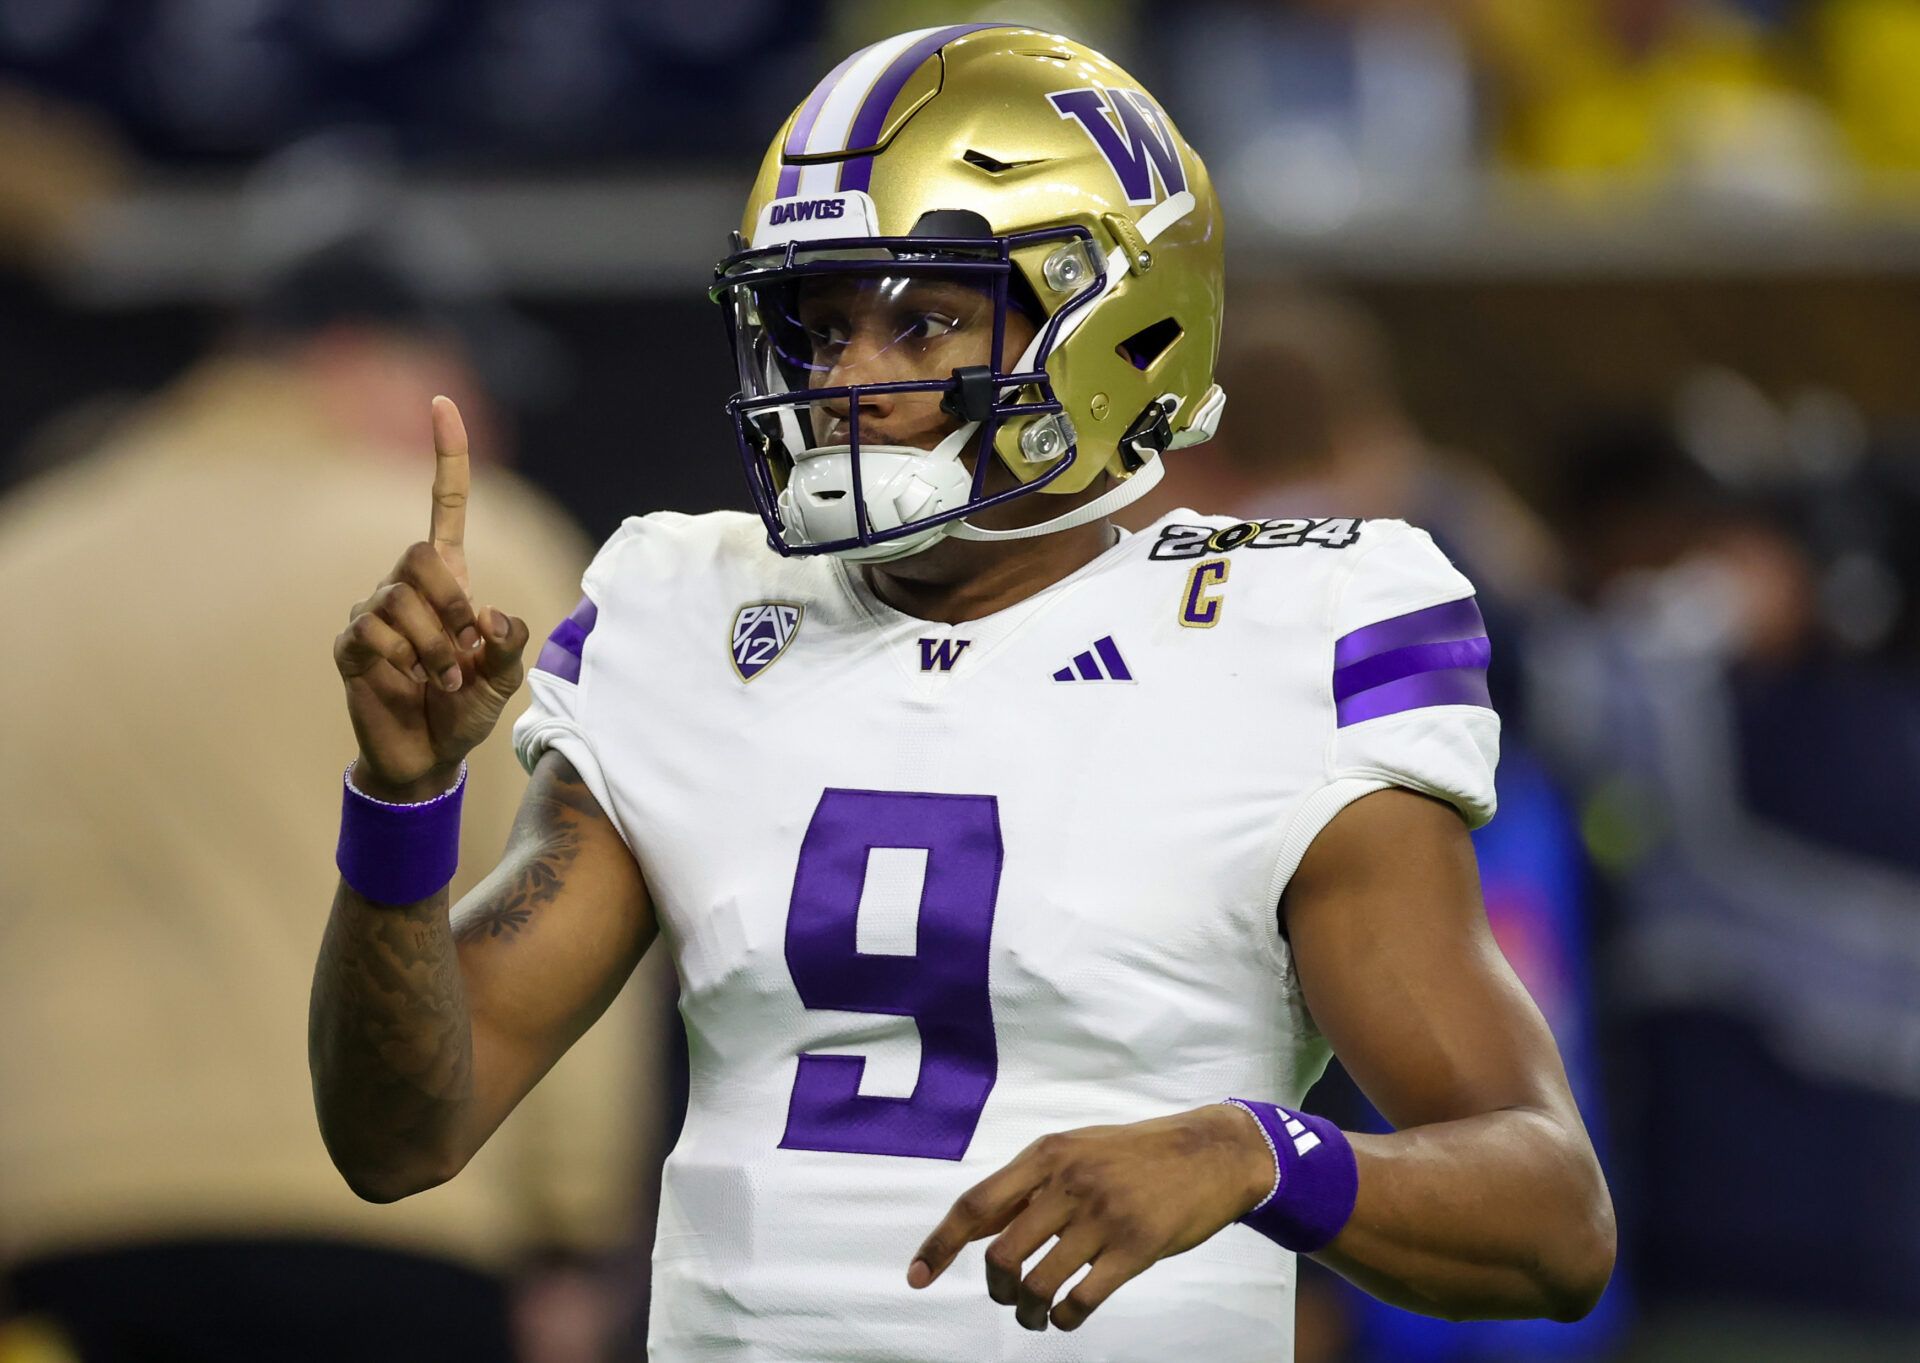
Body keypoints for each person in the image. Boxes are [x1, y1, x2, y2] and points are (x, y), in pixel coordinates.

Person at [309, 24, 1615, 1361]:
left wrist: (1259, 1152)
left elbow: (1553, 1217)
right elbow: (400, 1135)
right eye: (820, 327)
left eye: (923, 319)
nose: (847, 383)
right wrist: (401, 808)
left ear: (1116, 322)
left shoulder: (1283, 635)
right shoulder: (689, 609)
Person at [0, 212, 665, 1362]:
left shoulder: (24, 557)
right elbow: (565, 897)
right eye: (469, 385)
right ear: (364, 357)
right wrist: (573, 1224)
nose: (491, 429)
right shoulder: (466, 562)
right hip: (391, 1233)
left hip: (58, 1238)